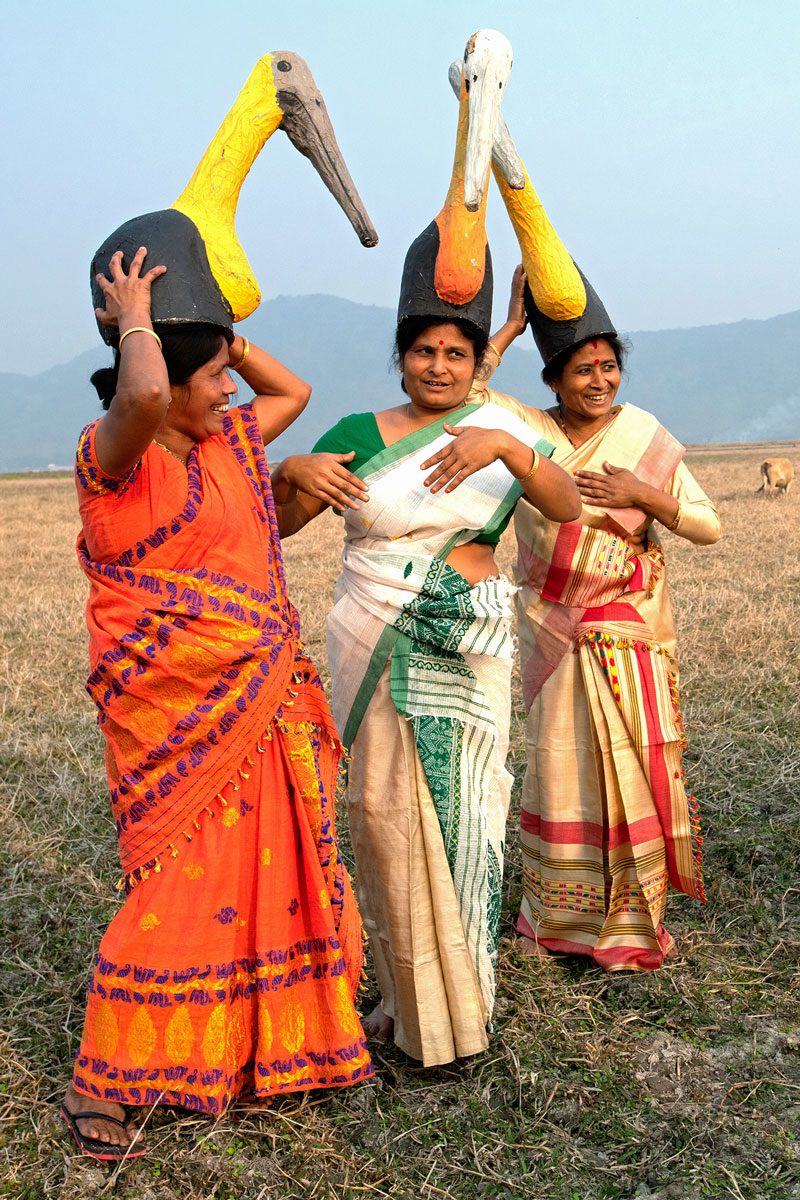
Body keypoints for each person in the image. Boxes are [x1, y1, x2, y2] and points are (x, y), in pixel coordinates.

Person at [61, 247, 371, 1160]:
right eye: (214, 382)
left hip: (264, 710)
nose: (231, 397)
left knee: (262, 883)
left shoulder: (226, 445)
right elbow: (146, 398)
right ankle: (101, 1082)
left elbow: (295, 391)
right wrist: (138, 320)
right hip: (183, 729)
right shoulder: (112, 462)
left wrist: (220, 332)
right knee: (177, 896)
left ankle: (246, 1050)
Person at [270, 298, 580, 1065]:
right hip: (371, 632)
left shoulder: (508, 433)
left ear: (478, 365)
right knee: (379, 812)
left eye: (454, 354)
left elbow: (569, 505)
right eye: (423, 352)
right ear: (401, 357)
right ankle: (404, 995)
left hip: (466, 640)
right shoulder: (354, 434)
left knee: (466, 814)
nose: (438, 366)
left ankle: (463, 1002)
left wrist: (506, 448)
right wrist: (288, 469)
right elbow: (279, 524)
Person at [479, 266, 721, 971]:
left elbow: (708, 526)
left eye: (609, 367)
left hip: (630, 636)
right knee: (560, 771)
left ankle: (632, 922)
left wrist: (644, 493)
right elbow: (465, 399)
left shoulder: (644, 434)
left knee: (632, 776)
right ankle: (558, 921)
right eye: (581, 370)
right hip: (555, 634)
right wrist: (508, 329)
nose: (598, 381)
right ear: (553, 380)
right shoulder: (527, 430)